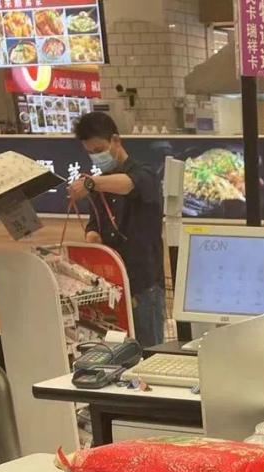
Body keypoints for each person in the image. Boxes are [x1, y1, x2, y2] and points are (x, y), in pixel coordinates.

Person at [70, 112, 166, 349]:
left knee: (150, 352)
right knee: (118, 354)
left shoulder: (144, 173)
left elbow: (129, 185)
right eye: (90, 152)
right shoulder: (101, 183)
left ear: (115, 140)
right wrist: (92, 240)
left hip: (143, 286)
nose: (96, 156)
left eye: (99, 149)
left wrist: (91, 183)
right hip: (111, 287)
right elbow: (95, 224)